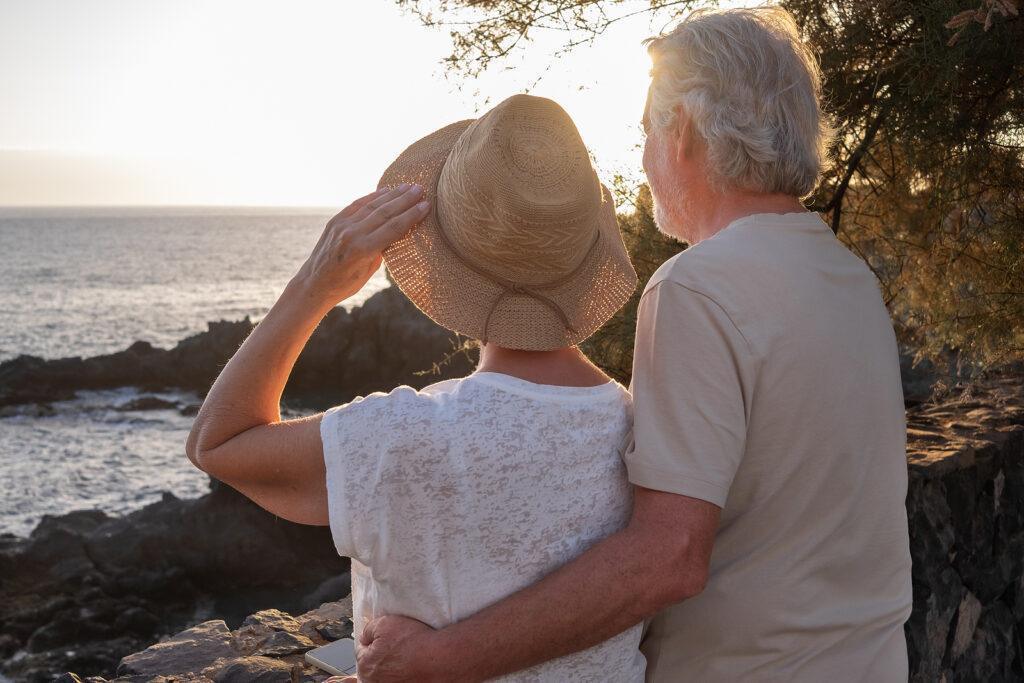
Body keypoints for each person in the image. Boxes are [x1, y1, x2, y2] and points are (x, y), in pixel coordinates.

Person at [354, 6, 914, 682]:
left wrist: (442, 657)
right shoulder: (848, 276)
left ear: (681, 133)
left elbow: (669, 556)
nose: (645, 157)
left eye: (646, 128)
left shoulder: (696, 287)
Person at [184, 93, 647, 680]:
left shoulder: (405, 437)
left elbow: (216, 443)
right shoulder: (639, 425)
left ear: (443, 247)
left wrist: (313, 285)